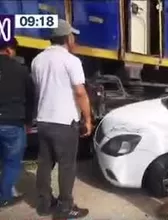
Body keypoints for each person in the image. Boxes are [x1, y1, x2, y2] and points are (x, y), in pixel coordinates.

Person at [31, 19, 93, 219]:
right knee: (67, 166)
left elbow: (38, 90)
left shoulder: (37, 60)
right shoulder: (71, 61)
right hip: (64, 123)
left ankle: (44, 203)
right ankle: (66, 207)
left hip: (43, 121)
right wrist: (88, 119)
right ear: (67, 38)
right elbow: (80, 93)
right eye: (73, 36)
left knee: (44, 163)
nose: (74, 39)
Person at [0, 38, 34, 207]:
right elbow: (30, 98)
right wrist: (29, 122)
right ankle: (5, 196)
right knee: (12, 161)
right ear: (8, 50)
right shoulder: (21, 71)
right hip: (13, 123)